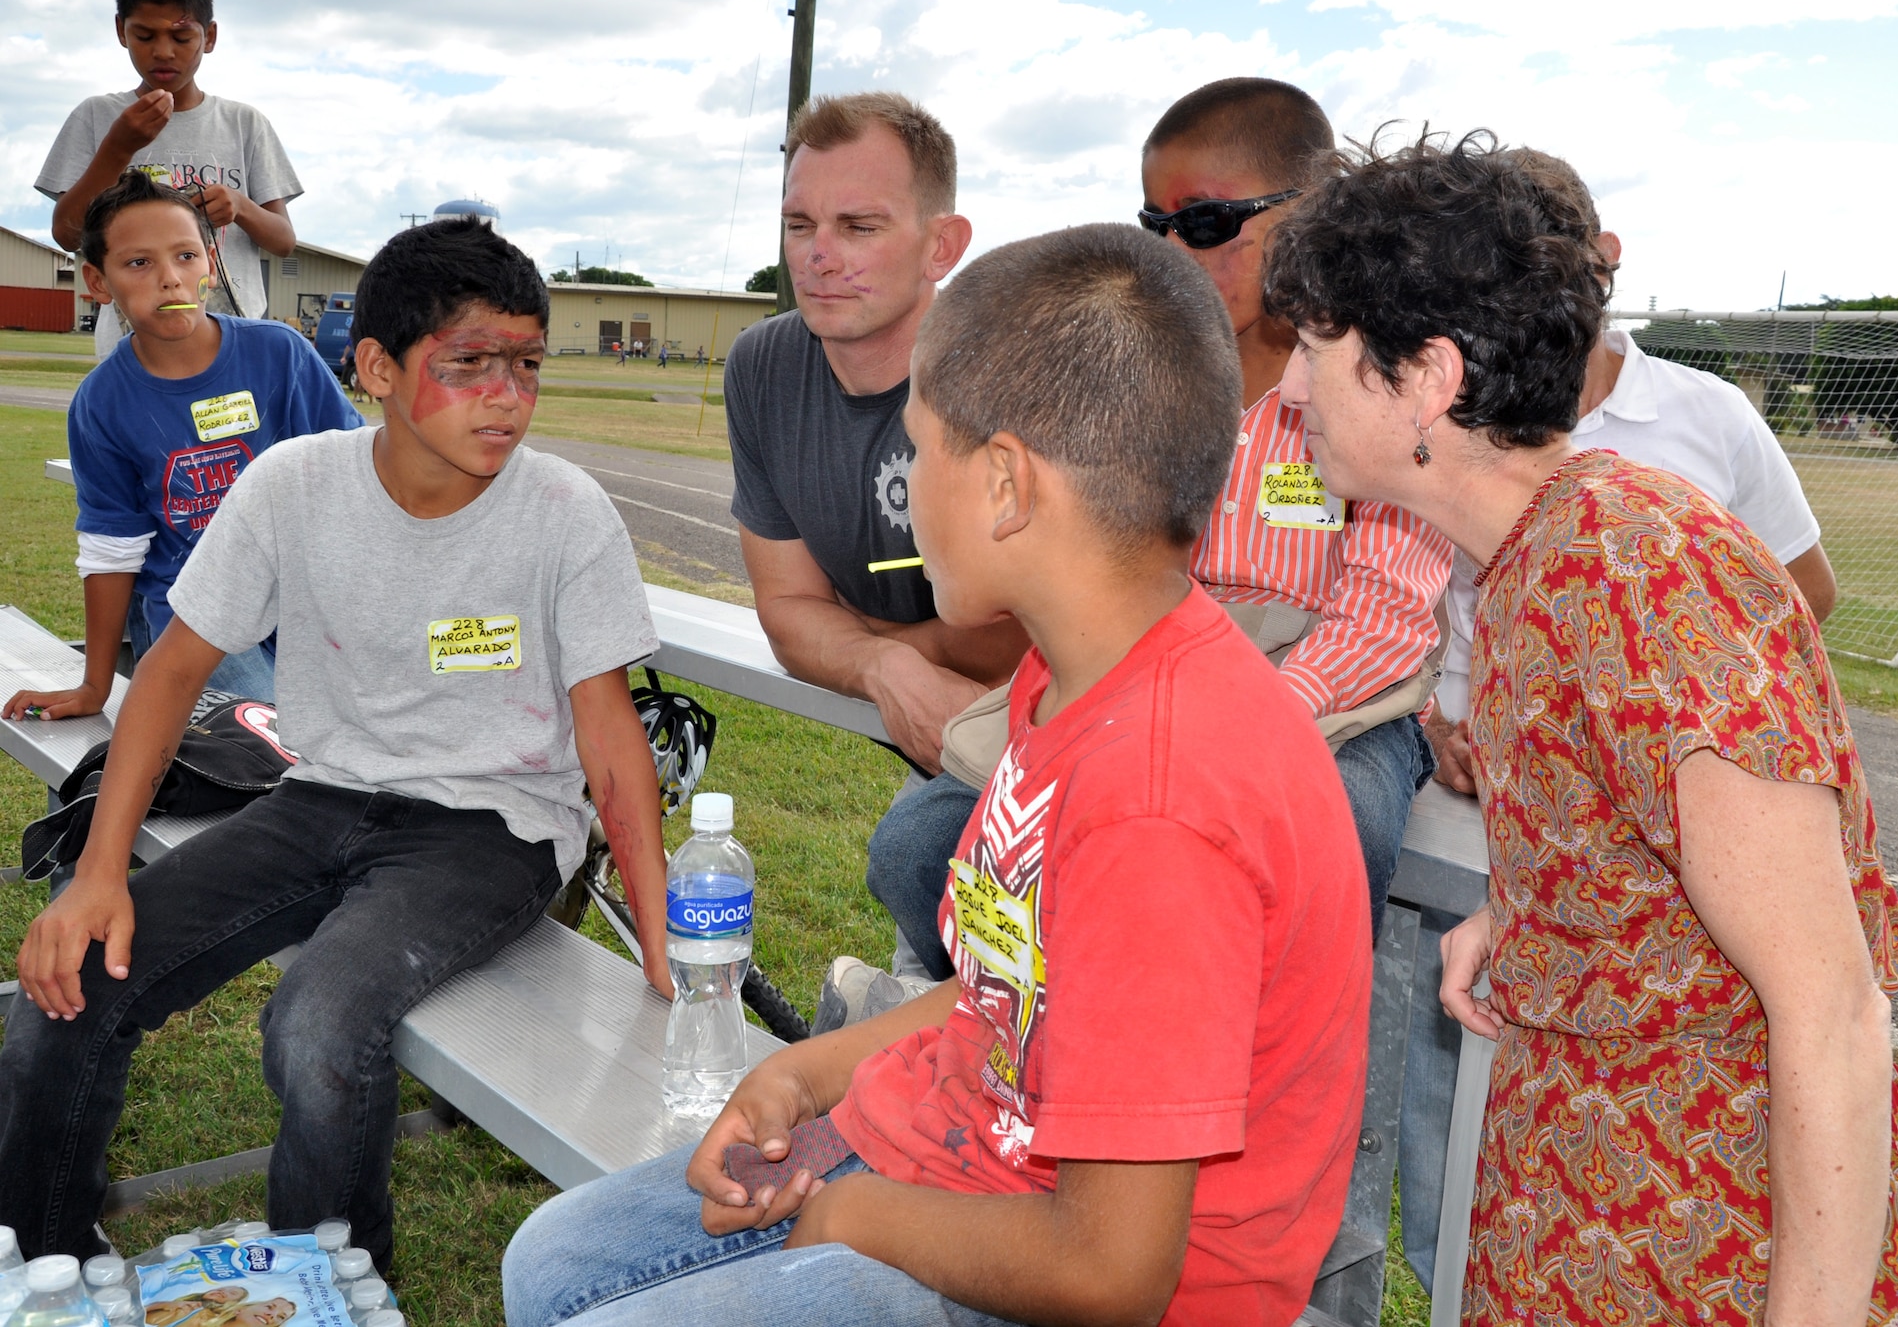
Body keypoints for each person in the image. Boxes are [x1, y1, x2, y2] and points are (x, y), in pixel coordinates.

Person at [504, 222, 1372, 1327]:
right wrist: (804, 1077)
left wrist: (847, 1223)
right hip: (967, 1153)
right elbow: (1003, 1000)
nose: (904, 492)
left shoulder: (1161, 797)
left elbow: (1108, 1273)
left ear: (1006, 485)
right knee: (549, 1265)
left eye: (917, 454)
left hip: (1086, 1270)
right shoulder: (1065, 676)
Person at [1264, 130, 1898, 1325]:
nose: (1286, 390)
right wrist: (1534, 911)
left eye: (1312, 348)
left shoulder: (1638, 575)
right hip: (1600, 1214)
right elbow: (1660, 835)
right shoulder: (1533, 558)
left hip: (1717, 1244)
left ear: (1425, 377)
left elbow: (1831, 1010)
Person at [0, 219, 671, 1271]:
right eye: (468, 365)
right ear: (375, 368)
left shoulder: (563, 513)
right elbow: (172, 672)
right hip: (318, 797)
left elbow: (610, 736)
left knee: (317, 1027)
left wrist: (663, 947)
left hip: (490, 828)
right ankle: (44, 1266)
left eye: (527, 365)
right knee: (66, 982)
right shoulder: (294, 485)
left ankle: (332, 1286)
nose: (506, 394)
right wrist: (96, 874)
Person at [859, 78, 1450, 995]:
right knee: (916, 845)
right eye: (1155, 223)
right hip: (1155, 669)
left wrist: (1246, 721)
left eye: (1208, 222)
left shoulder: (1376, 372)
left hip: (1341, 695)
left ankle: (1266, 1086)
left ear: (1313, 212)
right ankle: (1028, 1033)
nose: (1175, 249)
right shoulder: (1154, 362)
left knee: (1335, 839)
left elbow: (1385, 610)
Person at [1393, 148, 1843, 1293]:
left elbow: (1784, 608)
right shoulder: (1521, 508)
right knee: (1469, 1133)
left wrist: (1669, 751)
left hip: (1659, 914)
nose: (1292, 388)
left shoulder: (1647, 521)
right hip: (1524, 854)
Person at [726, 93, 1029, 991]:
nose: (819, 256)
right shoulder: (764, 366)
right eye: (800, 223)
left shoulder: (1005, 370)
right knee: (921, 871)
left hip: (1064, 721)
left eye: (859, 226)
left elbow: (1012, 639)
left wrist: (852, 632)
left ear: (943, 244)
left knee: (918, 855)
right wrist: (891, 667)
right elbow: (786, 613)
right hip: (945, 733)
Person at [2, 172, 360, 723]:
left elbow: (361, 468)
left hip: (308, 600)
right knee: (266, 737)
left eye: (186, 256)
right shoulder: (101, 402)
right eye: (139, 263)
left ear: (210, 266)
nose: (170, 279)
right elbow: (111, 549)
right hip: (192, 613)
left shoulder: (281, 355)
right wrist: (96, 686)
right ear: (98, 282)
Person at [37, 0, 302, 359]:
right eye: (145, 36)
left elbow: (284, 241)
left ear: (209, 37)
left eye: (182, 38)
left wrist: (240, 206)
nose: (163, 52)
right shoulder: (98, 117)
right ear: (120, 31)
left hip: (234, 348)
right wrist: (118, 147)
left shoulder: (244, 124)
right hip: (132, 350)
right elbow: (67, 233)